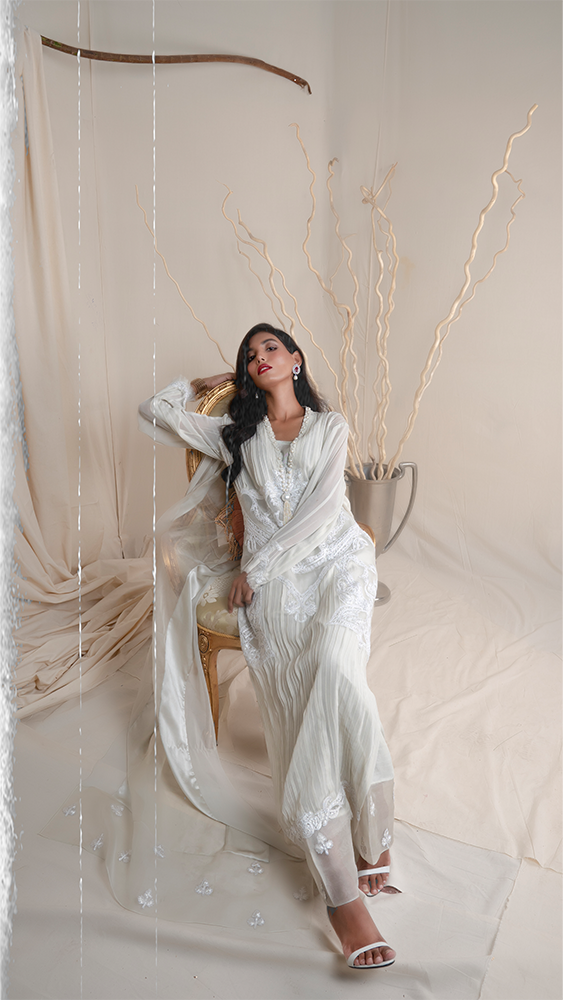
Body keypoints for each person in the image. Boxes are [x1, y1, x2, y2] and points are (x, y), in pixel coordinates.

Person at [138, 322, 396, 970]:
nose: (259, 358)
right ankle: (342, 895)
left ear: (296, 359)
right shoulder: (237, 433)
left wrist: (255, 566)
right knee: (294, 699)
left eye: (270, 348)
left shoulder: (329, 428)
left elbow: (319, 514)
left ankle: (372, 819)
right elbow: (154, 412)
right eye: (249, 355)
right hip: (273, 587)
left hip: (335, 563)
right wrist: (205, 384)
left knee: (336, 668)